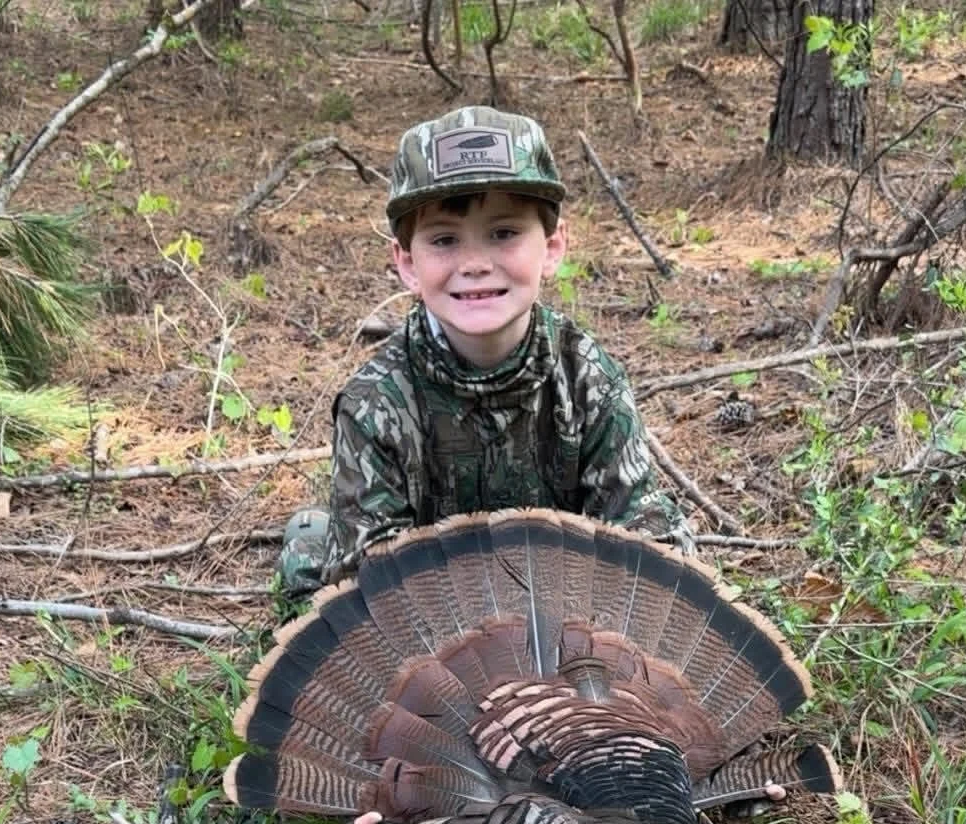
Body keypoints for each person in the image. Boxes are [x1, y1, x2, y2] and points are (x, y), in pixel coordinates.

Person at [277, 105, 690, 597]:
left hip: (563, 600)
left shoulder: (589, 379)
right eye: (445, 240)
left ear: (552, 247)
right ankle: (312, 537)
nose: (475, 263)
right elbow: (373, 586)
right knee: (317, 586)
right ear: (407, 263)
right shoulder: (374, 403)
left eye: (503, 233)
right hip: (434, 611)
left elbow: (644, 539)